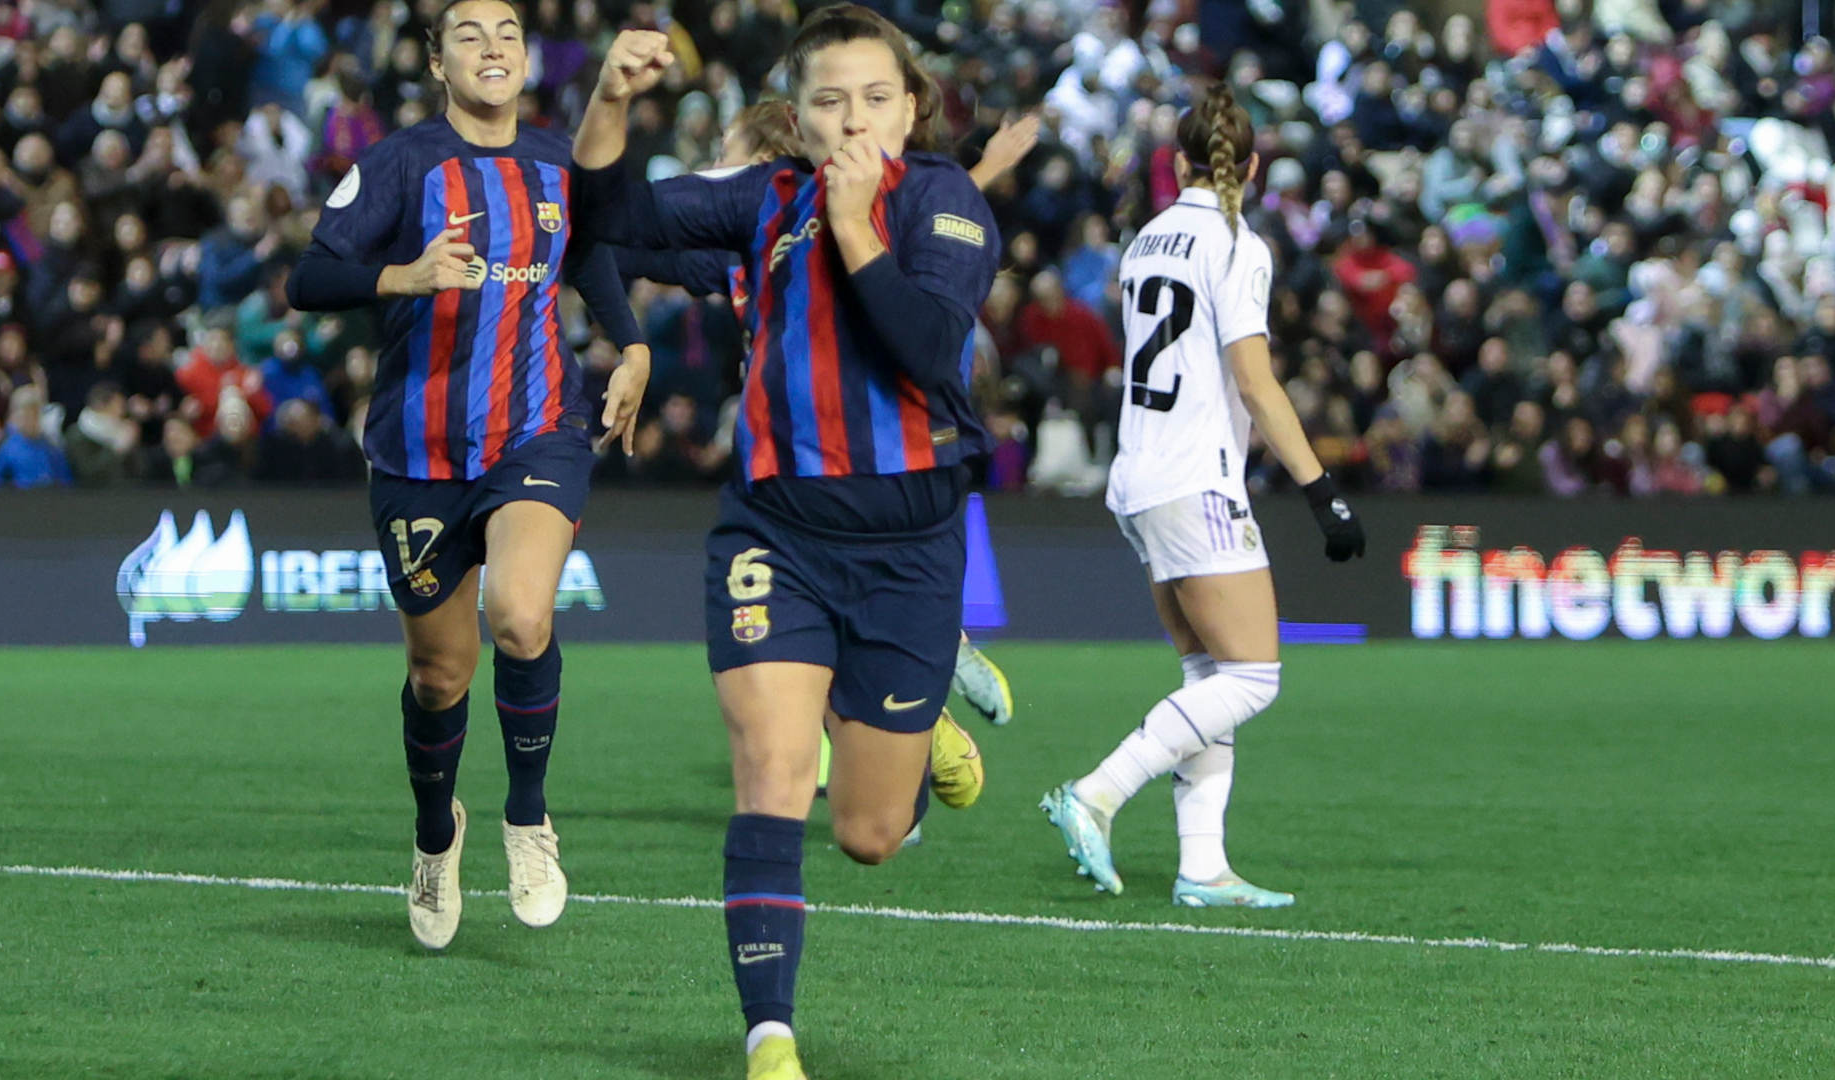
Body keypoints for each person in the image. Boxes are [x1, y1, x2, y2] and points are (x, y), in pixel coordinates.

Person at [571, 11, 1000, 1078]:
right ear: (797, 119)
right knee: (768, 770)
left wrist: (856, 226)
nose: (851, 118)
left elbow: (931, 349)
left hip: (910, 544)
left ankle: (901, 707)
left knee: (866, 832)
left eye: (872, 98)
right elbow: (608, 214)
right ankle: (770, 1038)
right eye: (827, 101)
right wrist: (613, 102)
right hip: (777, 530)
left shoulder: (944, 202)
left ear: (909, 107)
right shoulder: (762, 201)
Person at [285, 0, 651, 951]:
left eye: (508, 34)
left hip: (537, 434)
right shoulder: (402, 165)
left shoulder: (557, 164)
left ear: (527, 59)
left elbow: (593, 262)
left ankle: (527, 818)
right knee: (440, 676)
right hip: (416, 455)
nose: (492, 48)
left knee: (522, 616)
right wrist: (398, 277)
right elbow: (309, 278)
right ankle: (434, 835)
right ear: (438, 64)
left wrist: (635, 346)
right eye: (468, 36)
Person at [613, 98, 1029, 802]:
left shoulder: (840, 224)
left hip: (886, 455)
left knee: (836, 632)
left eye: (729, 151)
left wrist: (982, 171)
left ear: (772, 160)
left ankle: (920, 680)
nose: (716, 167)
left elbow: (927, 213)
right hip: (798, 465)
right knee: (800, 638)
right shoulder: (745, 248)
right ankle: (911, 703)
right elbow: (647, 243)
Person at [1040, 83, 1366, 909]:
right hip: (1194, 480)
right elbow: (1253, 381)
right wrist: (1320, 489)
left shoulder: (1146, 241)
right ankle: (1097, 792)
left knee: (1206, 673)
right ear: (1251, 167)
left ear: (1177, 163)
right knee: (1254, 677)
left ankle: (1203, 866)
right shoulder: (1236, 244)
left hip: (1139, 478)